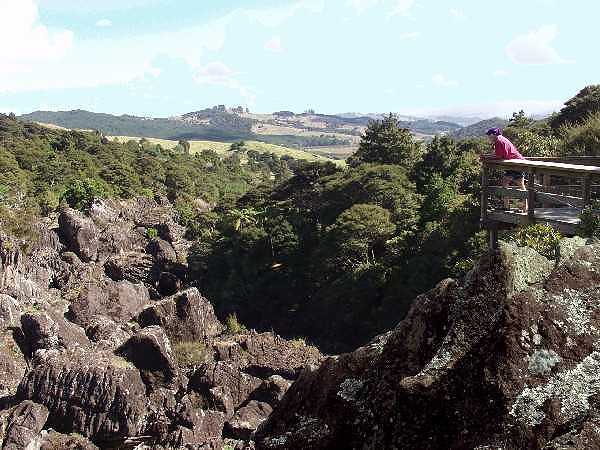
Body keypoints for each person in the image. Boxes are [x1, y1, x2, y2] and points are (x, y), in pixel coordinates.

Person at [480, 127, 527, 211]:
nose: (488, 137)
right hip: (518, 163)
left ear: (493, 135)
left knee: (505, 182)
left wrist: (486, 157)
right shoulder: (501, 139)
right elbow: (500, 154)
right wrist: (488, 156)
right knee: (521, 185)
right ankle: (524, 207)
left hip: (514, 164)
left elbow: (500, 156)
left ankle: (506, 206)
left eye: (489, 135)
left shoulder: (498, 141)